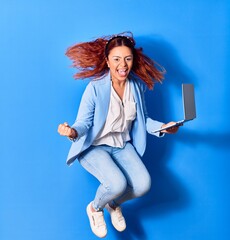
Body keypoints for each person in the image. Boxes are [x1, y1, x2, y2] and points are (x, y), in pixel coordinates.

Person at [58, 32, 180, 238]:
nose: (122, 64)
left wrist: (164, 127)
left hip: (122, 145)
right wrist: (72, 132)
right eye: (116, 59)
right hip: (94, 147)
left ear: (133, 59)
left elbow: (143, 119)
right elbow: (84, 122)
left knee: (143, 186)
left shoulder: (137, 86)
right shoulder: (95, 88)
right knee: (117, 184)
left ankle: (113, 204)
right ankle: (95, 208)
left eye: (127, 58)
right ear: (107, 61)